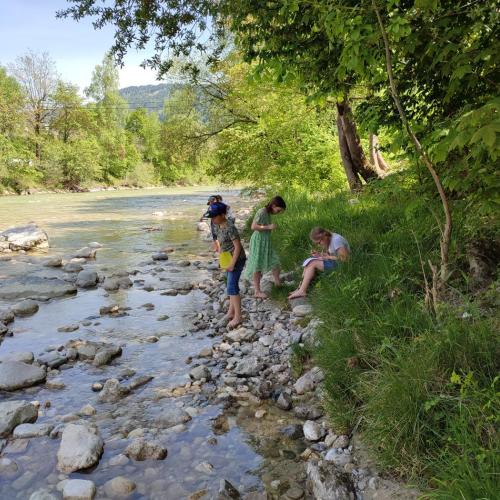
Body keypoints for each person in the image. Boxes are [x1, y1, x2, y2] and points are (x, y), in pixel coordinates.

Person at [208, 201, 246, 329]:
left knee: (232, 287)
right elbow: (219, 240)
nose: (212, 219)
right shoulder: (218, 226)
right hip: (227, 258)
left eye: (214, 216)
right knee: (230, 285)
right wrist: (218, 248)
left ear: (223, 214)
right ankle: (231, 312)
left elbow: (238, 246)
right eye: (211, 217)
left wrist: (232, 264)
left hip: (236, 259)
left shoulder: (230, 227)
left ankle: (238, 317)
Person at [288, 227, 350, 299]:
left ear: (324, 236)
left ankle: (302, 291)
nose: (319, 245)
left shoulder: (336, 240)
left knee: (313, 263)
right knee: (309, 262)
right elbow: (332, 255)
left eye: (319, 242)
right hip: (335, 262)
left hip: (342, 266)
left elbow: (345, 259)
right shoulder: (329, 239)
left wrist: (328, 257)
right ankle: (299, 288)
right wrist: (320, 255)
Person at [245, 196, 287, 298]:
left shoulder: (267, 213)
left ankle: (277, 284)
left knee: (275, 261)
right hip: (258, 241)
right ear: (273, 205)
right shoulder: (262, 211)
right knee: (257, 264)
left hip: (265, 241)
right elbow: (253, 226)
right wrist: (268, 227)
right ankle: (257, 291)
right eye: (278, 210)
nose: (278, 212)